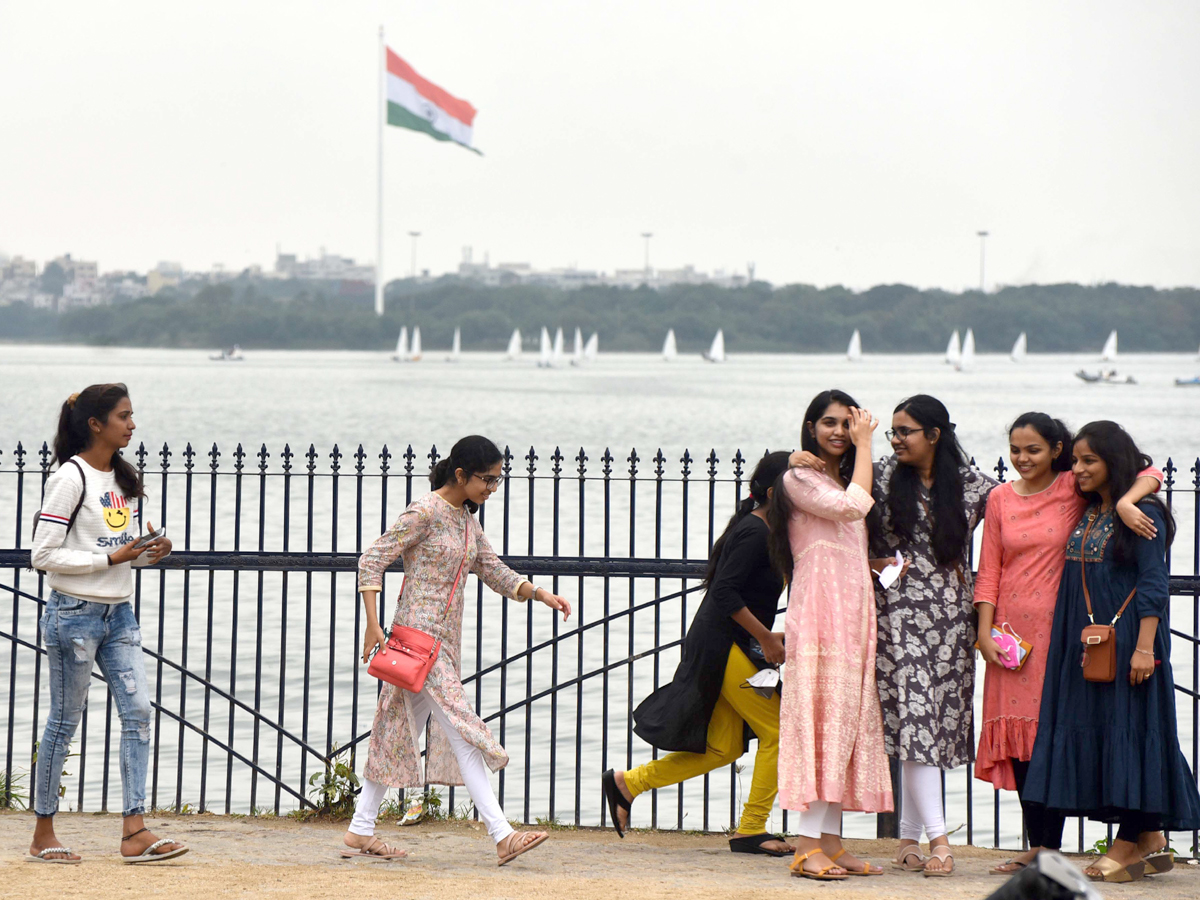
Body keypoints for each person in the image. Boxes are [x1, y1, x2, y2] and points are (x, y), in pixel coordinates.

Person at [345, 435, 571, 866]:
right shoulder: (424, 511)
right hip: (416, 641)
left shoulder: (467, 522)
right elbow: (371, 559)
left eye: (499, 480)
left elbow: (493, 570)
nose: (492, 488)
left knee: (397, 732)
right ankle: (502, 834)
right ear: (461, 474)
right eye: (488, 479)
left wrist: (540, 594)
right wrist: (373, 624)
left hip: (443, 647)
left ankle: (360, 829)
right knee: (463, 731)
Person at [973, 413, 1161, 875]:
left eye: (1033, 449)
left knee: (1049, 733)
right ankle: (1043, 844)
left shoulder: (1071, 488)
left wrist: (1125, 503)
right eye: (1015, 450)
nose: (1022, 459)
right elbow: (989, 569)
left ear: (1056, 450)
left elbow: (1145, 471)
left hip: (1060, 634)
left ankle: (1108, 837)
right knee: (1015, 739)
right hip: (1009, 637)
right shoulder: (998, 497)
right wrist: (983, 630)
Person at [1022, 422, 1200, 884]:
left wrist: (1144, 649)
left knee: (1132, 730)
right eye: (1076, 460)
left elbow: (1153, 584)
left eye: (1089, 461)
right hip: (1086, 644)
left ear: (1113, 463)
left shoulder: (1143, 514)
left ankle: (1127, 841)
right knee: (1101, 730)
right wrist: (1116, 499)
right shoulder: (1093, 508)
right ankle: (1149, 839)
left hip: (1129, 648)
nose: (1077, 469)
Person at [603, 451, 796, 856]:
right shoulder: (755, 532)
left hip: (733, 644)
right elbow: (724, 592)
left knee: (723, 748)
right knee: (777, 732)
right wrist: (768, 637)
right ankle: (751, 829)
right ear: (778, 491)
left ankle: (628, 784)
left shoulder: (771, 532)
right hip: (723, 646)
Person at [27, 384, 181, 865]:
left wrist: (153, 550)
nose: (132, 424)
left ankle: (134, 830)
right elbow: (43, 555)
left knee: (138, 711)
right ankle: (43, 832)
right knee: (64, 723)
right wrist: (110, 556)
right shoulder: (71, 478)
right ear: (96, 424)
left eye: (132, 415)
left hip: (120, 613)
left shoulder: (123, 479)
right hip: (73, 615)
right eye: (123, 416)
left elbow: (127, 551)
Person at [769, 391, 893, 881]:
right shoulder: (798, 476)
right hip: (821, 617)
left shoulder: (830, 475)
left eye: (848, 424)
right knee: (820, 723)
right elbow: (852, 508)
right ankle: (805, 847)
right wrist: (866, 444)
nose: (839, 432)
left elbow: (845, 528)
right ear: (809, 426)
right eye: (830, 423)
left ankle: (832, 842)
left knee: (842, 724)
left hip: (854, 614)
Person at [869, 394, 995, 877]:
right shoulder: (878, 477)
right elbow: (826, 493)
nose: (897, 440)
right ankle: (940, 842)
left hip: (951, 622)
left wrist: (1141, 484)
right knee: (916, 725)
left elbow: (1040, 494)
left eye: (906, 431)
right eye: (893, 432)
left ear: (935, 435)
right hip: (895, 617)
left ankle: (906, 838)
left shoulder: (972, 487)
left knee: (925, 729)